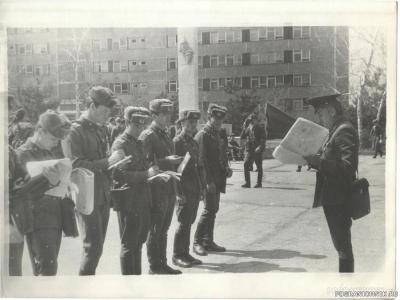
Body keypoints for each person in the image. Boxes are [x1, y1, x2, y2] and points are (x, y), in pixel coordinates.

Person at [62, 86, 123, 275]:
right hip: (86, 196)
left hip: (102, 194)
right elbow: (76, 165)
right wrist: (108, 161)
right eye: (104, 111)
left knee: (97, 247)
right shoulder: (75, 130)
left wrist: (113, 161)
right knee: (93, 247)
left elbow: (99, 158)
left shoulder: (98, 129)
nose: (107, 116)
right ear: (91, 106)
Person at [303, 93, 359, 273]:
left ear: (332, 110)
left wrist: (320, 163)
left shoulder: (343, 130)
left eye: (320, 114)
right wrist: (316, 161)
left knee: (342, 246)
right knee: (341, 245)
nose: (319, 118)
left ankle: (346, 286)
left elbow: (348, 166)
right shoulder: (336, 129)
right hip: (334, 197)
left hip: (339, 198)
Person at [15, 109, 72, 276]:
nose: (56, 143)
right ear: (40, 131)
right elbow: (20, 192)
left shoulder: (47, 152)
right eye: (54, 139)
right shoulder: (21, 155)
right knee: (46, 270)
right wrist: (51, 182)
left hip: (53, 218)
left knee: (50, 269)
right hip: (38, 220)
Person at [111, 106, 158, 275]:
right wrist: (147, 174)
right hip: (129, 200)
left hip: (142, 198)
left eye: (141, 126)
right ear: (126, 123)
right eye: (135, 126)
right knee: (129, 244)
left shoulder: (137, 142)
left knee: (139, 242)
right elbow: (118, 174)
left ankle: (136, 282)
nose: (139, 130)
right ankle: (129, 286)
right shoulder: (121, 144)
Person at [139, 99, 184, 275]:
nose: (167, 117)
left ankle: (163, 263)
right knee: (156, 229)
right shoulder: (148, 136)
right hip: (156, 189)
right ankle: (154, 266)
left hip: (168, 187)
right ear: (153, 115)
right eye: (163, 114)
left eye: (169, 114)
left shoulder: (165, 134)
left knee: (164, 229)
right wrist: (167, 161)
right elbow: (145, 163)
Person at [193, 103, 233, 256]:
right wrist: (208, 181)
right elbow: (202, 161)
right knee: (209, 209)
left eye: (221, 120)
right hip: (208, 180)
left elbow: (220, 154)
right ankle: (197, 242)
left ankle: (208, 241)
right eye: (216, 119)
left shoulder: (216, 133)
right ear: (209, 117)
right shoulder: (203, 134)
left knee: (213, 210)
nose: (219, 122)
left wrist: (226, 167)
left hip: (217, 178)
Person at [172, 109, 205, 268]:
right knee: (183, 222)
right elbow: (177, 170)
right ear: (182, 123)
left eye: (195, 122)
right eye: (190, 122)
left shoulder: (193, 142)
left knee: (189, 221)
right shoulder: (178, 142)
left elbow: (197, 167)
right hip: (184, 187)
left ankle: (185, 253)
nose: (193, 125)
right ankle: (177, 255)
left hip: (194, 187)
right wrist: (179, 193)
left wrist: (200, 187)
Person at [240, 114, 267, 188]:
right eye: (251, 120)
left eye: (253, 120)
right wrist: (245, 126)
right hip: (249, 148)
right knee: (246, 164)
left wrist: (260, 147)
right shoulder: (249, 127)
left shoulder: (260, 128)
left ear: (256, 120)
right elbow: (243, 136)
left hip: (257, 148)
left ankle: (259, 183)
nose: (252, 121)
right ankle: (247, 183)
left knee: (259, 166)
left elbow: (264, 139)